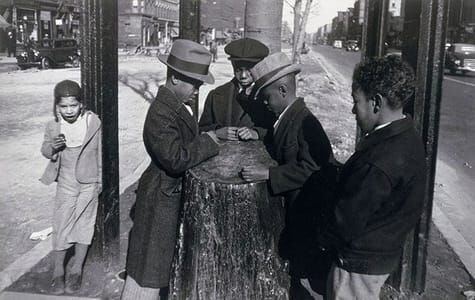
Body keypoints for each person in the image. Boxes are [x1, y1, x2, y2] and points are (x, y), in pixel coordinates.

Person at [121, 39, 220, 299]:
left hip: (167, 197)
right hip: (160, 203)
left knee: (159, 268)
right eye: (194, 83)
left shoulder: (173, 106)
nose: (198, 89)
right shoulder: (161, 113)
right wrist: (210, 142)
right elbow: (175, 158)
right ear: (175, 78)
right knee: (148, 273)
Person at [325, 56, 427, 299]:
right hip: (383, 255)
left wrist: (321, 237)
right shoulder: (408, 137)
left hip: (357, 264)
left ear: (376, 103)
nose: (352, 109)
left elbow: (346, 220)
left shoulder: (379, 161)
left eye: (356, 101)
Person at [241, 52, 336, 299]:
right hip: (298, 210)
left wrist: (269, 173)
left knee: (307, 275)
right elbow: (280, 141)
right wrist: (259, 135)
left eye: (266, 97)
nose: (264, 103)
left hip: (307, 215)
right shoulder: (288, 116)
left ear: (283, 90)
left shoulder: (307, 123)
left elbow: (313, 167)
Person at [40, 80, 102, 295]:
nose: (68, 111)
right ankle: (58, 271)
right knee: (61, 225)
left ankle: (76, 270)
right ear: (57, 106)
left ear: (81, 104)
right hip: (66, 183)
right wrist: (53, 149)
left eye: (73, 106)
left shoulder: (92, 122)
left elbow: (100, 153)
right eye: (63, 106)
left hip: (88, 183)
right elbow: (46, 150)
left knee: (85, 225)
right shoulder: (53, 126)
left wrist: (99, 181)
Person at [199, 37, 274, 142]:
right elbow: (201, 129)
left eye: (249, 70)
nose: (243, 76)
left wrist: (257, 133)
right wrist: (216, 132)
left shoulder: (270, 95)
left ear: (259, 67)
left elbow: (279, 130)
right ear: (232, 66)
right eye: (238, 70)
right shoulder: (216, 95)